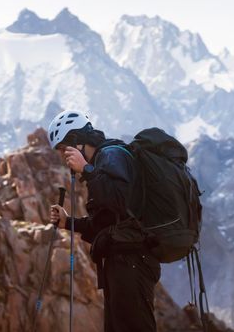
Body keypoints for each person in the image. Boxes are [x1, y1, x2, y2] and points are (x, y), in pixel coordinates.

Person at [48, 110, 161, 332]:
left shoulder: (111, 155)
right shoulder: (102, 163)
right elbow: (105, 224)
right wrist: (68, 222)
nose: (62, 156)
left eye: (63, 148)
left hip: (132, 260)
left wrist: (87, 170)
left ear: (76, 142)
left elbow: (120, 199)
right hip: (121, 261)